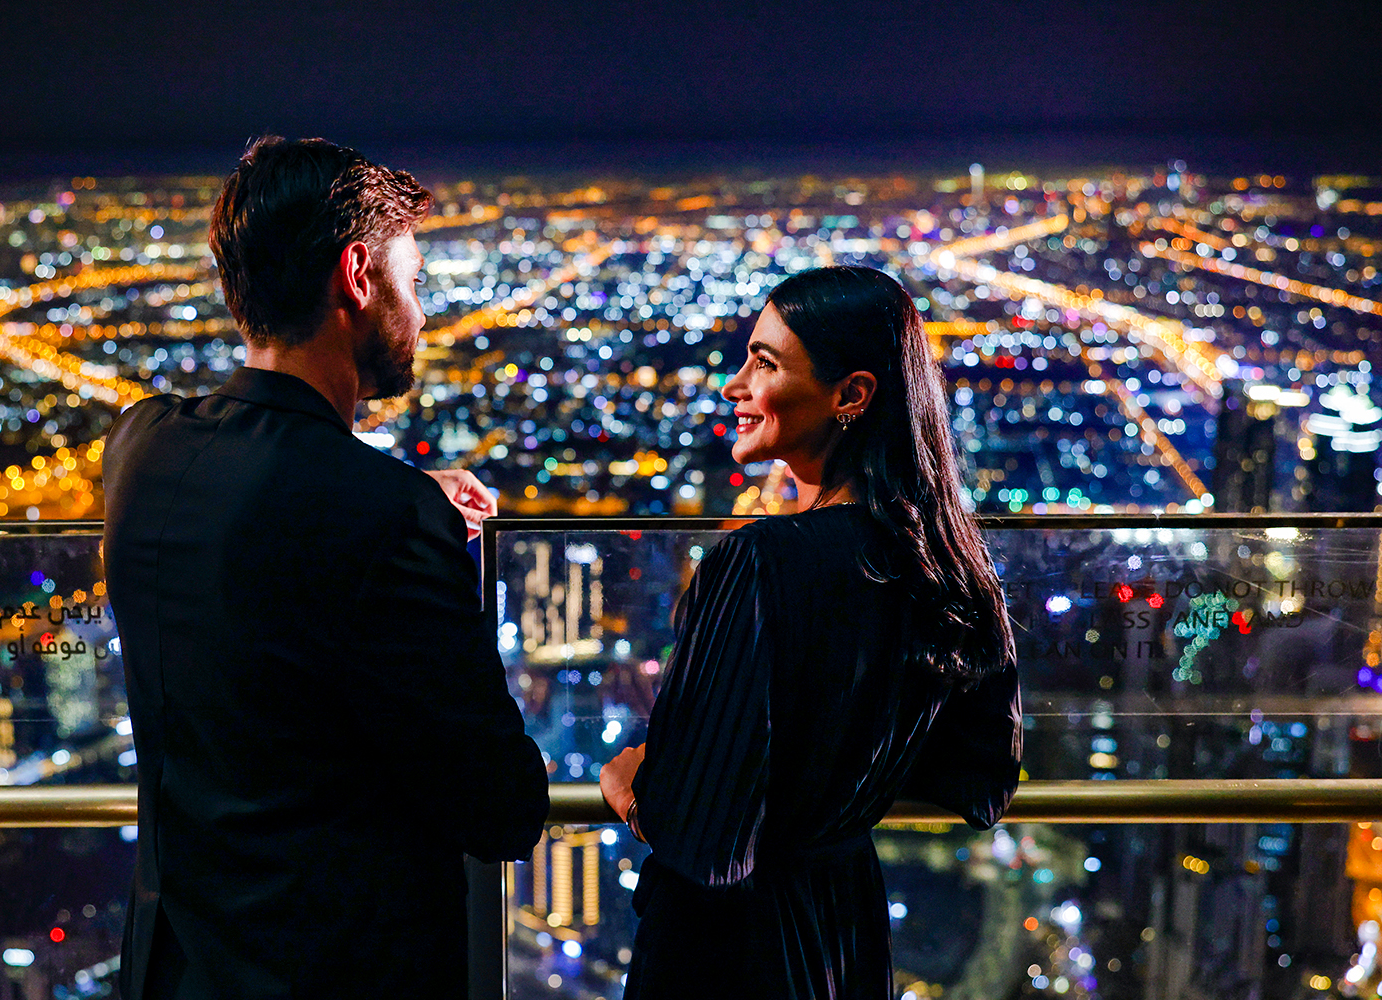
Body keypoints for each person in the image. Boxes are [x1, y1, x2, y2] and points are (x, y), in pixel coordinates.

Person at [103, 136, 549, 999]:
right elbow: (501, 807)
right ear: (357, 274)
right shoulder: (389, 518)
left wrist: (404, 496)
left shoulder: (140, 448)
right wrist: (411, 512)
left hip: (173, 971)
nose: (420, 313)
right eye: (413, 282)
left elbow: (270, 516)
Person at [600, 265, 1021, 999]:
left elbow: (706, 840)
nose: (734, 385)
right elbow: (981, 782)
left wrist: (633, 791)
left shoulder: (759, 562)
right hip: (844, 932)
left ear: (851, 395)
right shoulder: (952, 561)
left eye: (763, 363)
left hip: (730, 954)